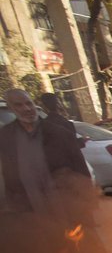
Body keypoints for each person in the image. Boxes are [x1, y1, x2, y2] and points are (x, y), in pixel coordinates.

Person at [1, 88, 88, 217]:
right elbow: (8, 175)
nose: (26, 109)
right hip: (31, 211)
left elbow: (81, 170)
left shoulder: (59, 132)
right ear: (10, 108)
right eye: (18, 105)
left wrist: (87, 204)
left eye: (28, 103)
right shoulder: (5, 136)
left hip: (65, 205)